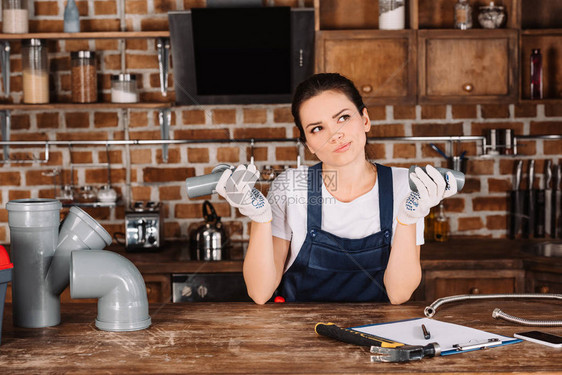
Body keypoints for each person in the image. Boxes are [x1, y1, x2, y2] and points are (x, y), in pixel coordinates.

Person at [216, 73, 457, 305]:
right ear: (308, 144)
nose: (335, 135)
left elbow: (399, 294)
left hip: (377, 336)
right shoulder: (290, 187)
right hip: (300, 337)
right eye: (317, 128)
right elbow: (260, 293)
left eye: (343, 118)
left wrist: (408, 219)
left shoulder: (405, 185)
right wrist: (260, 218)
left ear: (365, 120)